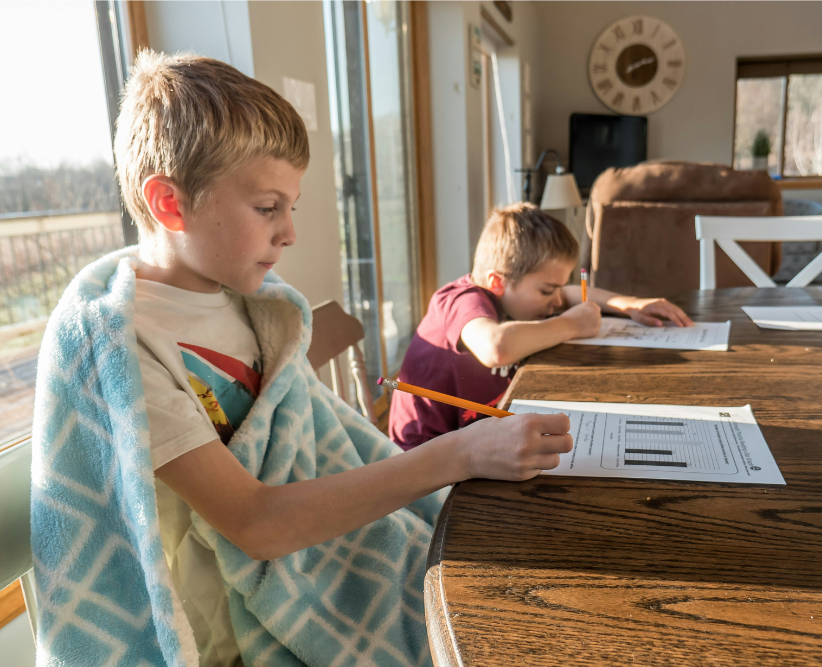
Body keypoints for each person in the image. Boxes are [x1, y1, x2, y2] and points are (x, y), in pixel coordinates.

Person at [33, 52, 571, 667]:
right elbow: (255, 524)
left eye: (291, 207)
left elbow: (312, 440)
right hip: (225, 642)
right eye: (268, 208)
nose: (289, 232)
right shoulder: (123, 345)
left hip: (314, 566)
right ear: (170, 204)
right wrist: (460, 453)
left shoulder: (252, 303)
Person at [389, 203, 693, 450]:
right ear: (497, 282)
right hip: (425, 462)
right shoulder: (459, 300)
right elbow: (496, 347)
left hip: (475, 438)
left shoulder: (512, 296)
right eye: (547, 291)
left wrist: (629, 304)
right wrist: (571, 325)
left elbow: (569, 294)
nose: (556, 300)